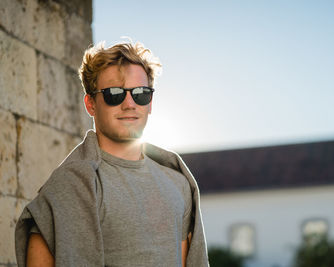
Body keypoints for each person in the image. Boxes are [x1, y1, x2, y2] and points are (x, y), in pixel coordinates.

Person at [15, 40, 209, 267]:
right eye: (114, 94)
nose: (129, 104)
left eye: (141, 93)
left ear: (150, 102)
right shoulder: (66, 189)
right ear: (91, 104)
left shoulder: (178, 184)